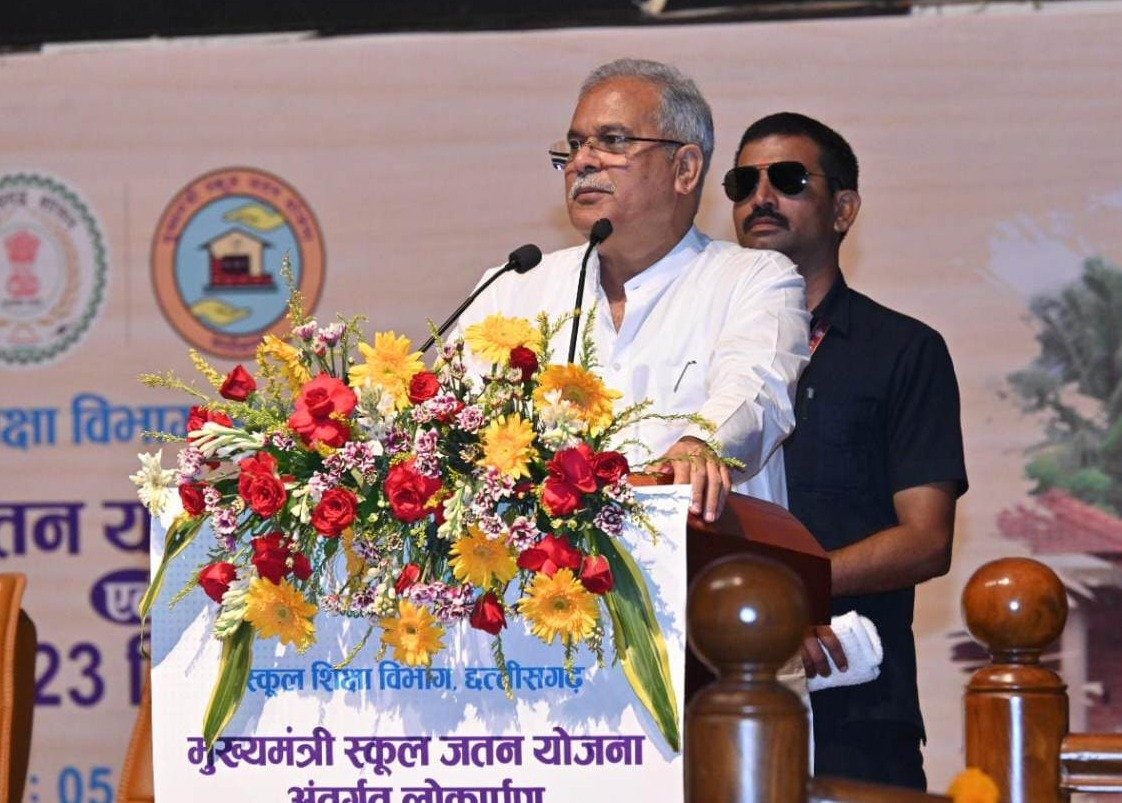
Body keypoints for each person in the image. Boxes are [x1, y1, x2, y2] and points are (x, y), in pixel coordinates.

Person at [726, 111, 968, 789]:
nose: (760, 198)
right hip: (709, 701)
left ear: (844, 209)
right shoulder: (704, 356)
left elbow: (926, 540)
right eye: (743, 183)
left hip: (853, 708)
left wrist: (790, 590)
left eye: (787, 179)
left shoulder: (902, 350)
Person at [460, 59, 809, 519]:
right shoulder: (511, 288)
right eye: (575, 145)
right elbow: (453, 429)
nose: (582, 161)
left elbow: (757, 393)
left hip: (707, 557)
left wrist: (701, 443)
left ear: (685, 169)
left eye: (613, 141)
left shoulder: (755, 280)